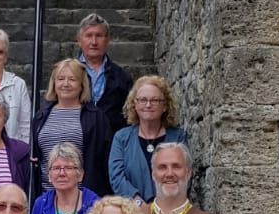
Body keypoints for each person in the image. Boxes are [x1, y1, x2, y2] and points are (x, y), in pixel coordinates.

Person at [32, 59, 112, 195]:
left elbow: (104, 160)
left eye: (72, 79)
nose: (65, 84)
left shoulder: (96, 117)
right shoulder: (41, 116)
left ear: (82, 84)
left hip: (83, 197)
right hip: (47, 195)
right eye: (61, 79)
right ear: (54, 83)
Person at [109, 75, 187, 203]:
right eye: (143, 100)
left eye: (155, 100)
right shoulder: (121, 138)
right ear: (134, 104)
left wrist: (162, 205)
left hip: (170, 209)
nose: (148, 105)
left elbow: (183, 173)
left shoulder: (178, 137)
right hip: (133, 212)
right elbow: (117, 177)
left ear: (165, 106)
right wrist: (138, 203)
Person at [75, 13, 132, 134]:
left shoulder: (121, 76)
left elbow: (130, 113)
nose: (94, 42)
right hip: (75, 141)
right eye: (89, 36)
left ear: (107, 40)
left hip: (111, 143)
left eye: (99, 36)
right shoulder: (67, 74)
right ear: (79, 40)